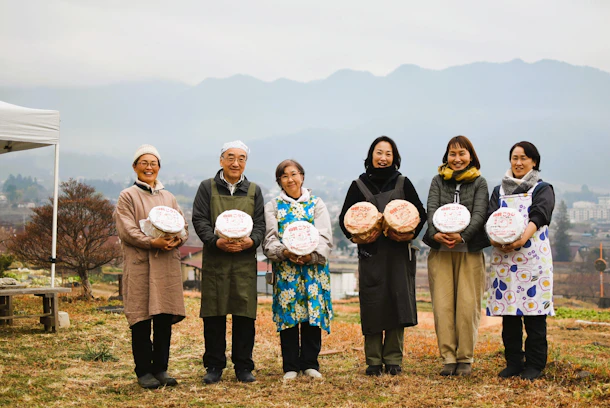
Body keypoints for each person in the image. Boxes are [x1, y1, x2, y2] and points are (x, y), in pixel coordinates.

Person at [339, 136, 426, 376]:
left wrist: (408, 234)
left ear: (394, 158)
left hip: (399, 253)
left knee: (398, 303)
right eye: (379, 153)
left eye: (388, 153)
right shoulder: (359, 185)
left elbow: (421, 214)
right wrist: (358, 238)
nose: (383, 158)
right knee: (373, 304)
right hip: (371, 254)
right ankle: (374, 361)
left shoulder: (403, 183)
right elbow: (344, 220)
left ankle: (394, 359)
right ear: (371, 156)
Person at [114, 144, 188, 389]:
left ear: (159, 167)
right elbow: (127, 230)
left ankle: (161, 368)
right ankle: (144, 370)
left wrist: (178, 239)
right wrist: (151, 242)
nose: (149, 167)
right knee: (141, 318)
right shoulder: (128, 196)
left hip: (166, 264)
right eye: (144, 163)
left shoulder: (168, 197)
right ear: (135, 167)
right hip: (140, 264)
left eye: (153, 163)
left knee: (164, 317)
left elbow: (183, 226)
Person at [192, 140, 265, 384]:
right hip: (216, 259)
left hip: (244, 261)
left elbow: (261, 224)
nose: (236, 163)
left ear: (246, 162)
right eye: (230, 157)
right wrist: (215, 241)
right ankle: (214, 366)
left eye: (241, 158)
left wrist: (251, 241)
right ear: (221, 160)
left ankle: (243, 366)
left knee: (245, 314)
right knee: (214, 314)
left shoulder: (253, 190)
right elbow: (199, 219)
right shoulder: (207, 187)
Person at [486, 141, 555, 381]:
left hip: (532, 260)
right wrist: (496, 240)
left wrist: (521, 239)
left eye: (524, 158)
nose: (518, 162)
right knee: (509, 316)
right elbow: (491, 218)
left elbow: (540, 215)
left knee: (535, 316)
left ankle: (535, 364)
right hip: (505, 261)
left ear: (534, 161)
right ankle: (514, 362)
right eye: (514, 158)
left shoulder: (542, 188)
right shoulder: (499, 191)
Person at [423, 135, 490, 376]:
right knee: (442, 307)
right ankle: (448, 357)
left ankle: (465, 358)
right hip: (440, 251)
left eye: (462, 153)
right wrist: (435, 233)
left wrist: (463, 236)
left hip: (469, 252)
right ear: (447, 157)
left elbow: (480, 213)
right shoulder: (437, 181)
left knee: (467, 306)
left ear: (471, 156)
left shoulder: (480, 182)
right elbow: (431, 209)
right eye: (453, 154)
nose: (457, 158)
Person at [262, 159, 333, 381]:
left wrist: (312, 256)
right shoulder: (273, 206)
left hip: (313, 271)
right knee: (289, 316)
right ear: (279, 181)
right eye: (284, 176)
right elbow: (269, 238)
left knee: (312, 315)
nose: (290, 179)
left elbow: (325, 236)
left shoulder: (316, 203)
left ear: (302, 176)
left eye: (294, 174)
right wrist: (285, 252)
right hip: (286, 269)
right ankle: (290, 365)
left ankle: (310, 363)